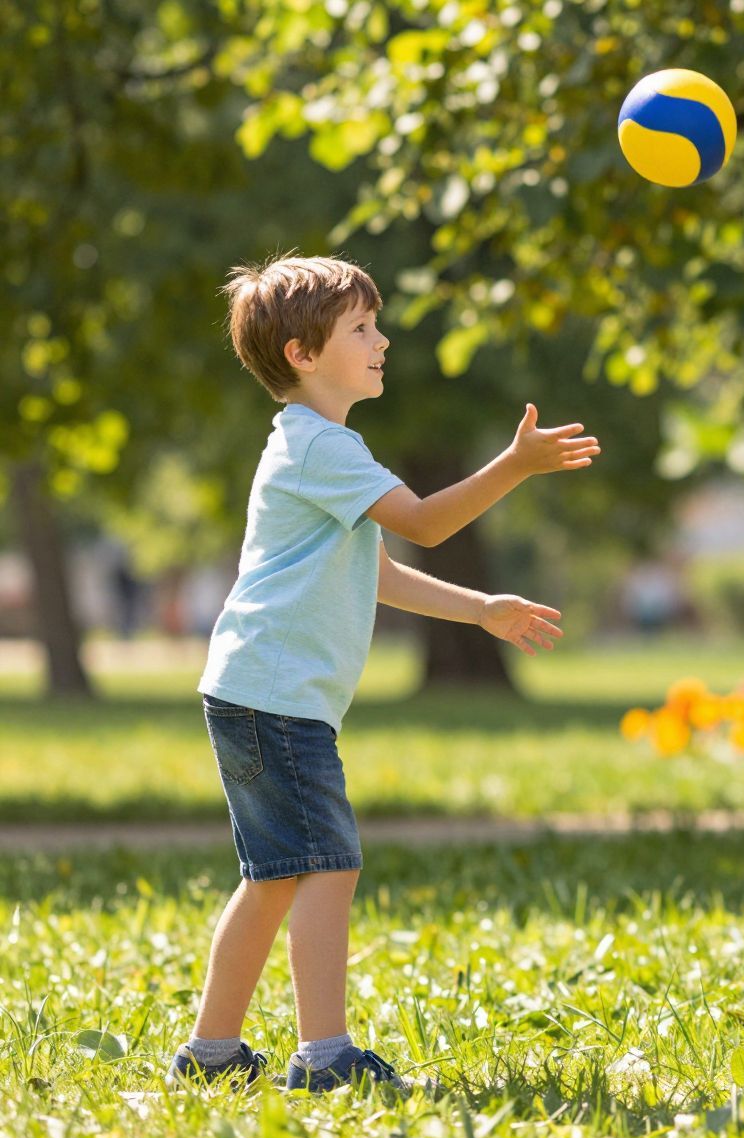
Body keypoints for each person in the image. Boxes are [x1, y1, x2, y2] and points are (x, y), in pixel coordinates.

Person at [166, 254, 601, 1093]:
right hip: (275, 696)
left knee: (275, 876)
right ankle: (325, 1058)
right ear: (302, 354)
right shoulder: (318, 447)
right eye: (361, 328)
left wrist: (480, 609)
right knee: (328, 863)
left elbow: (377, 571)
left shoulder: (318, 448)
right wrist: (513, 464)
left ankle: (212, 1053)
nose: (382, 340)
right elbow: (427, 525)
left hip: (259, 689)